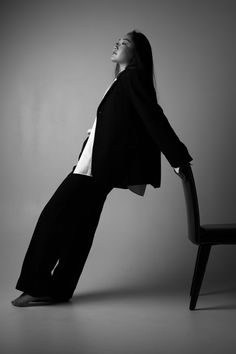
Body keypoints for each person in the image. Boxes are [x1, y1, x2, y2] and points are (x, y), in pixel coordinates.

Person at [12, 30, 192, 307]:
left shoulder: (132, 78)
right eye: (118, 41)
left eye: (126, 42)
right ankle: (58, 290)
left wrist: (178, 158)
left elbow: (153, 117)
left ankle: (38, 287)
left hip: (99, 167)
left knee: (53, 216)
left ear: (137, 53)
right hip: (93, 164)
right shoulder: (122, 81)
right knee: (81, 226)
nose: (118, 43)